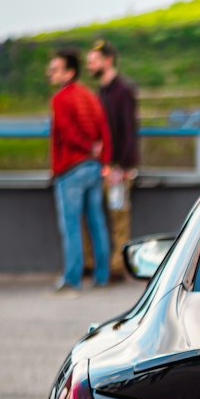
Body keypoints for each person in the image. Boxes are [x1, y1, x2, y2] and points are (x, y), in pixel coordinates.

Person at [47, 48, 112, 295]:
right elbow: (103, 128)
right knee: (96, 222)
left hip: (71, 169)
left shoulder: (60, 99)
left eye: (55, 69)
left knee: (72, 225)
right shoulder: (89, 96)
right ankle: (102, 276)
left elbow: (66, 132)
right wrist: (101, 158)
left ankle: (72, 279)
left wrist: (86, 149)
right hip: (93, 168)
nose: (50, 73)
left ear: (69, 72)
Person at [86, 38, 139, 279]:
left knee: (119, 218)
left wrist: (126, 166)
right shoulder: (103, 92)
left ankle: (119, 266)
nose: (90, 66)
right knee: (104, 216)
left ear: (107, 61)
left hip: (118, 168)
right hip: (105, 165)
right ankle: (105, 265)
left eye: (94, 61)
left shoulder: (122, 91)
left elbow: (129, 129)